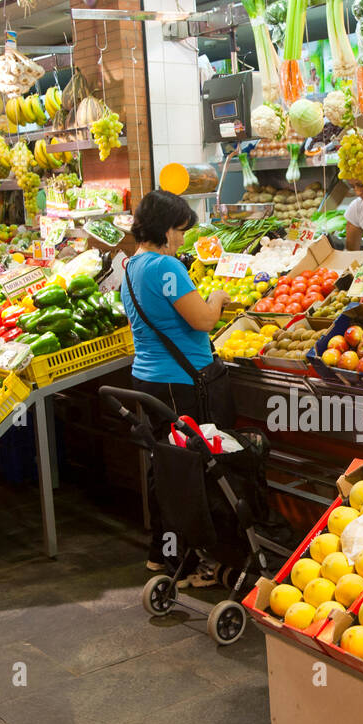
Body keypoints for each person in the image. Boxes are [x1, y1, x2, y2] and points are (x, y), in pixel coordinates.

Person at [121, 189, 230, 586]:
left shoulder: (132, 266)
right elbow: (202, 320)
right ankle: (191, 560)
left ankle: (163, 556)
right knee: (191, 471)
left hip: (149, 378)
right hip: (180, 384)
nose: (183, 239)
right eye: (180, 231)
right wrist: (216, 297)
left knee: (164, 468)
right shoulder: (165, 269)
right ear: (165, 229)